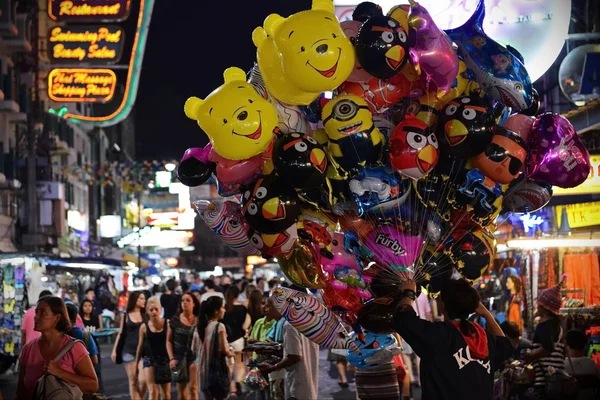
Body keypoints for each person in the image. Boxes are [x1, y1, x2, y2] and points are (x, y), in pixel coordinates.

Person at [393, 278, 512, 400]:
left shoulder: (438, 335)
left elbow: (402, 319)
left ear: (443, 305)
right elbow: (503, 343)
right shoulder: (483, 337)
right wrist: (486, 314)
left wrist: (409, 293)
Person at [16, 296, 98, 398]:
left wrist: (59, 372)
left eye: (43, 313)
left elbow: (93, 385)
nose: (36, 317)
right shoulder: (28, 349)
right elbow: (21, 390)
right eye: (37, 312)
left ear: (57, 318)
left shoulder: (74, 347)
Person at [259, 297, 320, 400]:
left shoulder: (289, 325)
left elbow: (295, 356)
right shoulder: (309, 322)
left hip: (297, 385)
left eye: (270, 306)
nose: (267, 309)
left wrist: (273, 367)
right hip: (309, 383)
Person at [523, 279, 566, 396]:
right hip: (558, 378)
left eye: (539, 303)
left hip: (544, 382)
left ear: (544, 307)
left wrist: (530, 355)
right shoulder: (559, 326)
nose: (537, 306)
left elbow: (547, 348)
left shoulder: (543, 326)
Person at [111, 291, 147, 400]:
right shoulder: (126, 316)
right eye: (141, 298)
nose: (143, 301)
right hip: (128, 351)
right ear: (135, 300)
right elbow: (121, 333)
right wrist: (114, 350)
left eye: (144, 299)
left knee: (143, 381)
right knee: (133, 381)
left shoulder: (146, 315)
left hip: (144, 351)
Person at [134, 297, 171, 400]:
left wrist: (172, 359)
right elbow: (140, 347)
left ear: (160, 309)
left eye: (156, 309)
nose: (154, 312)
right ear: (147, 312)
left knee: (166, 394)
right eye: (151, 310)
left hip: (164, 360)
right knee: (153, 391)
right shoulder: (144, 327)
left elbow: (171, 343)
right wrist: (136, 365)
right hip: (149, 359)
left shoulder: (167, 323)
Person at [199, 296, 235, 400]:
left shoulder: (201, 326)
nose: (224, 310)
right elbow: (224, 349)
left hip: (203, 371)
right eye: (222, 307)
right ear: (216, 311)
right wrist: (232, 353)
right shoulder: (219, 326)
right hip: (216, 372)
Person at [166, 292, 200, 400]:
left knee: (193, 389)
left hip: (194, 357)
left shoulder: (198, 320)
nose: (184, 302)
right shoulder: (175, 320)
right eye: (182, 300)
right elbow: (168, 341)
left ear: (194, 304)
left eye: (188, 300)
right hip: (178, 357)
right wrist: (171, 358)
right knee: (182, 393)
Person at [223, 285, 251, 396]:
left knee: (228, 366)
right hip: (239, 340)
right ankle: (238, 383)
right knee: (239, 366)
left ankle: (231, 388)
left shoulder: (224, 308)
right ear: (238, 294)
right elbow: (245, 326)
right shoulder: (242, 308)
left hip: (226, 341)